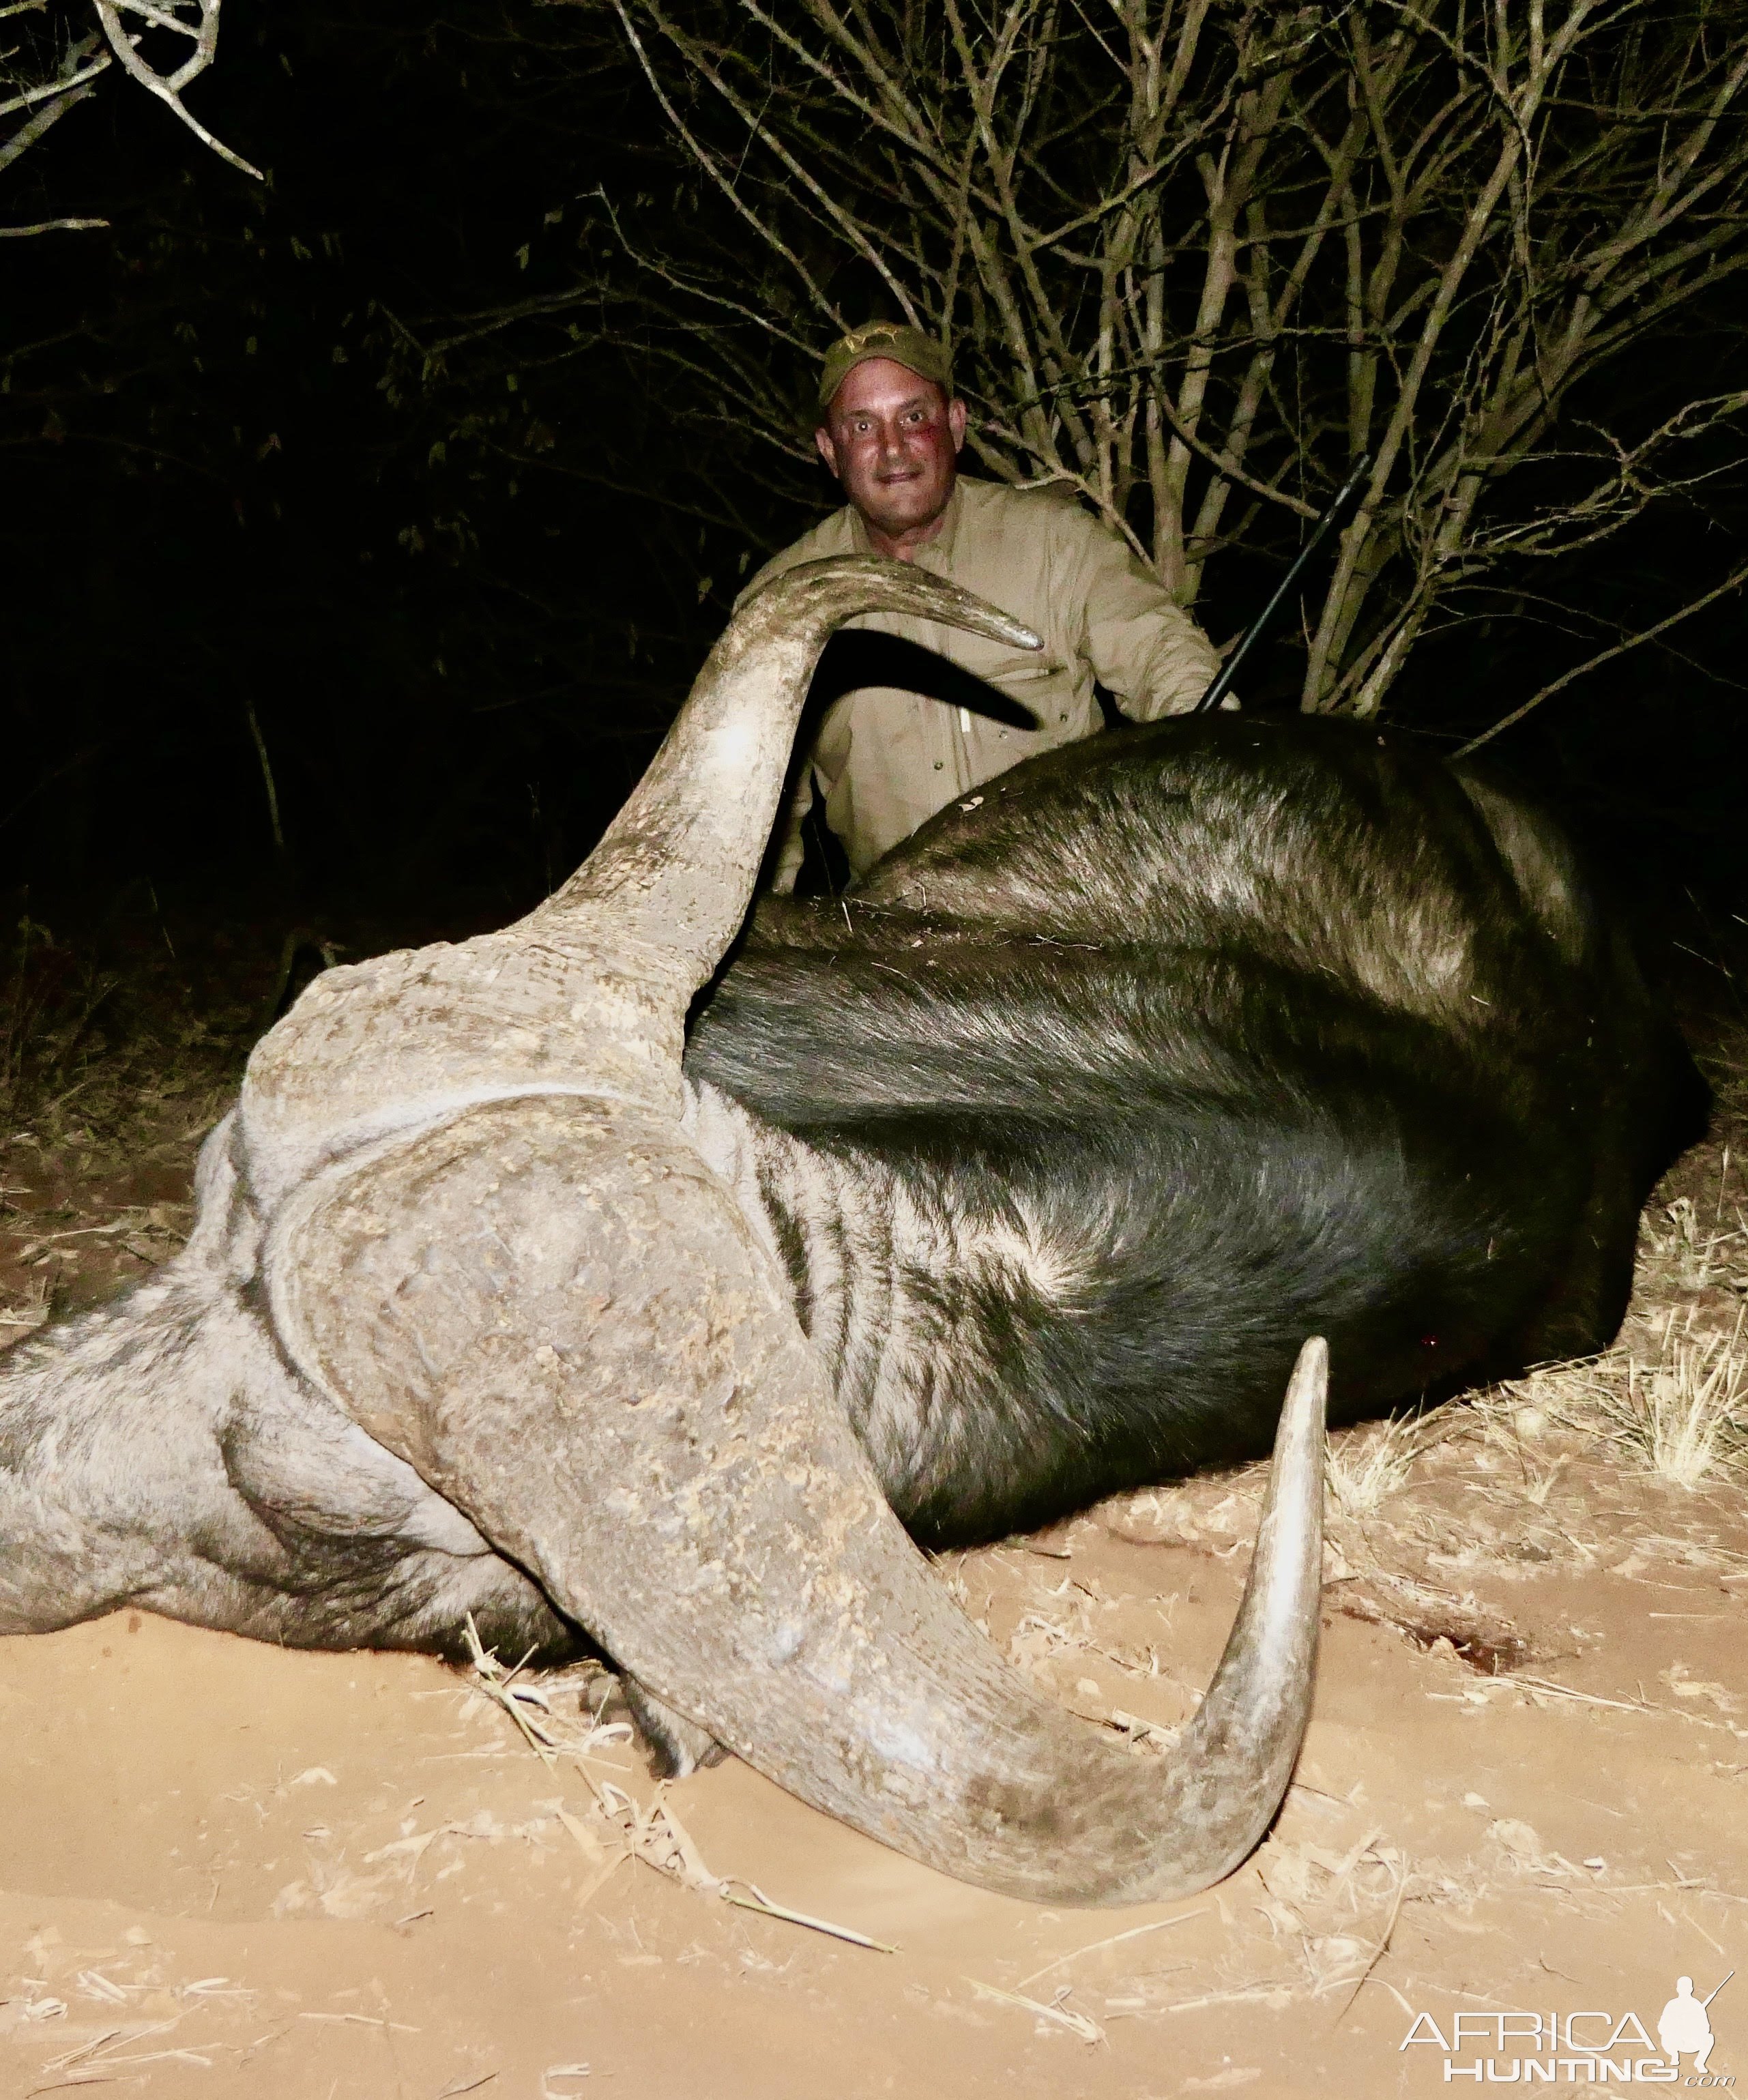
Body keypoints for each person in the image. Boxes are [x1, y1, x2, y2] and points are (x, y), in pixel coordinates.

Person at [742, 321, 1224, 892]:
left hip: (1070, 917)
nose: (893, 448)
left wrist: (1231, 767)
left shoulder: (1057, 542)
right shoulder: (783, 604)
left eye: (914, 417)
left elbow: (1167, 663)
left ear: (955, 425)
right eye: (863, 425)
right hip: (895, 943)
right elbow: (752, 825)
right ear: (830, 450)